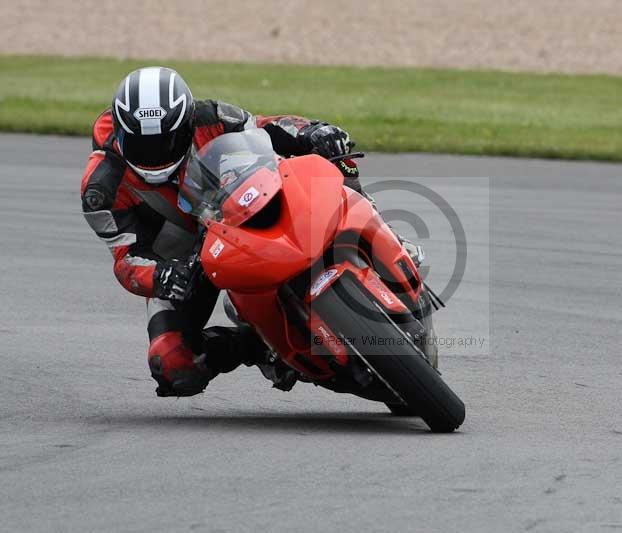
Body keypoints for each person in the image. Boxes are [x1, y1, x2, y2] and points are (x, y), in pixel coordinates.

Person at [80, 66, 424, 397]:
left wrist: (311, 132)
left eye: (165, 143)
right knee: (173, 363)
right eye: (143, 146)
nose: (154, 156)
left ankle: (389, 238)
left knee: (334, 161)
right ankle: (257, 346)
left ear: (184, 125)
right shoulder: (101, 189)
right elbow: (126, 259)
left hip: (235, 205)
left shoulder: (210, 117)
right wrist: (162, 276)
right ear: (122, 134)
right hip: (181, 261)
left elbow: (264, 128)